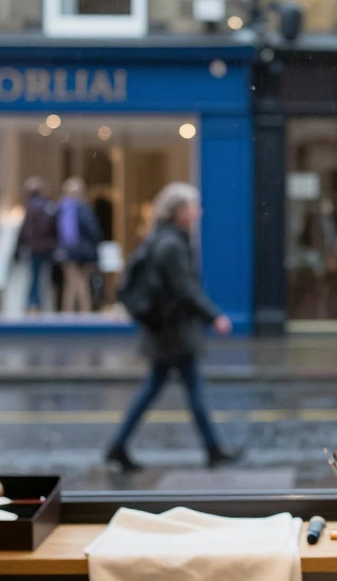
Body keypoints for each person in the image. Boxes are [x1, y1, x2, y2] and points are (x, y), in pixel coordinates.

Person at [105, 182, 236, 471]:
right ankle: (213, 449)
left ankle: (118, 446)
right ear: (179, 211)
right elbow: (185, 288)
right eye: (192, 207)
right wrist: (214, 316)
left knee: (160, 387)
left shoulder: (162, 239)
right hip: (173, 332)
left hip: (165, 331)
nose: (197, 212)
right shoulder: (172, 244)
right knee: (191, 388)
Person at [55, 177, 102, 313]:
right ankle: (84, 311)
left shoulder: (62, 208)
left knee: (71, 284)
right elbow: (94, 232)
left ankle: (68, 312)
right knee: (81, 284)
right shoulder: (83, 209)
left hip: (68, 252)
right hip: (83, 252)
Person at [17, 177, 58, 312]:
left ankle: (33, 305)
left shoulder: (31, 206)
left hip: (35, 247)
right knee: (44, 278)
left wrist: (21, 246)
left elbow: (26, 229)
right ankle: (43, 305)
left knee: (35, 276)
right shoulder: (48, 205)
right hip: (47, 246)